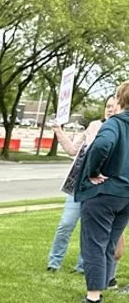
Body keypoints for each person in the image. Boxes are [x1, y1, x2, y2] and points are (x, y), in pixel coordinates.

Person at [46, 97, 118, 274]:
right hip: (80, 185)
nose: (109, 110)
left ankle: (82, 266)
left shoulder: (121, 130)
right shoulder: (94, 125)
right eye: (107, 106)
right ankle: (54, 262)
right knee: (66, 224)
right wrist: (58, 130)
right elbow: (72, 150)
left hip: (101, 189)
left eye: (113, 107)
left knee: (91, 230)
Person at [76, 80, 129, 303]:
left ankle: (94, 295)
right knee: (109, 242)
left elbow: (101, 145)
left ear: (120, 99)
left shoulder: (114, 123)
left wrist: (93, 171)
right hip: (126, 196)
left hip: (105, 191)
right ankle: (104, 281)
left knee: (94, 242)